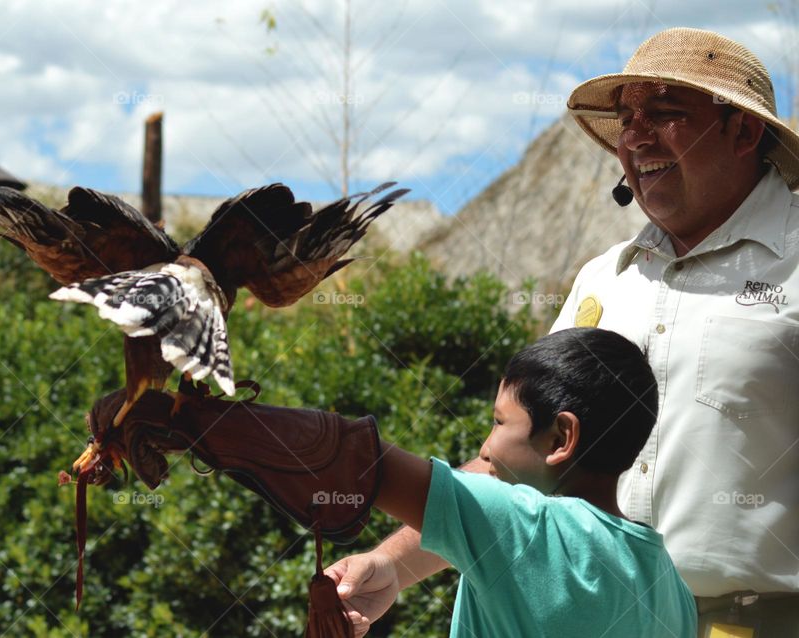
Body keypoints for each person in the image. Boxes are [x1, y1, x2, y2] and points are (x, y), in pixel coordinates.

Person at [332, 26, 799, 636]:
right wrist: (390, 565)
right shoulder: (602, 281)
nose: (635, 135)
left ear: (743, 130)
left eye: (664, 111)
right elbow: (513, 466)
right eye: (627, 117)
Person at [370, 327, 696, 637]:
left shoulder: (527, 526)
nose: (484, 449)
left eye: (499, 422)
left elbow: (354, 459)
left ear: (560, 439)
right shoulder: (673, 589)